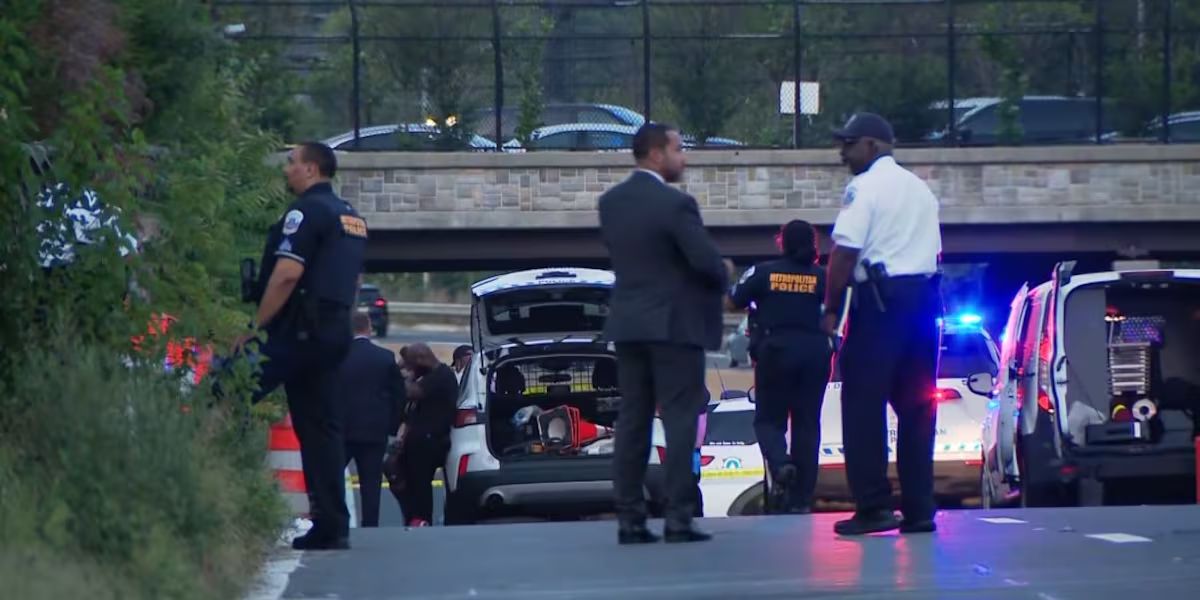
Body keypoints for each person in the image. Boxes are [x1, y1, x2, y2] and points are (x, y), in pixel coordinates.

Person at [597, 122, 731, 545]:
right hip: (674, 327)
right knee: (678, 419)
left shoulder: (611, 203)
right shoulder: (676, 205)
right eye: (679, 148)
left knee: (633, 420)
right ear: (656, 154)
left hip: (629, 324)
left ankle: (630, 519)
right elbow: (705, 262)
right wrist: (725, 271)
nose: (683, 157)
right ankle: (678, 517)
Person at [235, 141, 368, 550]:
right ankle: (331, 526)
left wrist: (256, 329)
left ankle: (196, 484)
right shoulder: (352, 217)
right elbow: (355, 281)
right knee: (321, 429)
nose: (286, 169)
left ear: (311, 169)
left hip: (297, 332)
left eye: (291, 162)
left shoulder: (305, 212)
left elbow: (287, 275)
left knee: (227, 389)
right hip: (334, 333)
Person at [821, 113, 943, 536]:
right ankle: (919, 509)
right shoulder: (921, 190)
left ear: (872, 146)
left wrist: (831, 308)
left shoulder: (864, 187)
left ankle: (873, 507)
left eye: (849, 143)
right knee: (917, 407)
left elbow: (844, 253)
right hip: (924, 305)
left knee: (863, 406)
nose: (842, 152)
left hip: (880, 305)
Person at [728, 220, 832, 515]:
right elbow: (839, 307)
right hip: (815, 353)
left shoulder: (763, 273)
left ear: (781, 243)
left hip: (776, 352)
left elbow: (733, 301)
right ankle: (801, 498)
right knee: (807, 425)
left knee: (768, 420)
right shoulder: (822, 277)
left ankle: (781, 463)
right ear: (813, 245)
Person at [337, 313, 405, 527]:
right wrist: (392, 428)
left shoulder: (337, 357)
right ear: (368, 328)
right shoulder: (385, 357)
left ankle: (336, 521)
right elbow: (399, 397)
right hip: (375, 431)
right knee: (371, 482)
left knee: (333, 478)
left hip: (342, 430)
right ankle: (370, 525)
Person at [395, 343, 458, 527]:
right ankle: (414, 517)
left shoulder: (441, 376)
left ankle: (422, 519)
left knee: (420, 483)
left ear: (422, 360)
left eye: (412, 365)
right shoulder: (430, 376)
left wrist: (404, 375)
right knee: (407, 478)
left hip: (431, 440)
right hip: (420, 439)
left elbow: (412, 392)